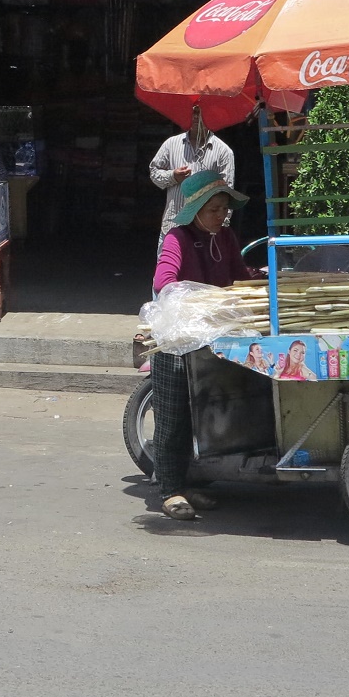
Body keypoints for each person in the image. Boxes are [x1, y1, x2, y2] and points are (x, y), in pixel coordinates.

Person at [148, 169, 257, 520]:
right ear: (195, 210)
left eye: (224, 208)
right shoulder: (177, 239)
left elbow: (240, 276)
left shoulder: (225, 238)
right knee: (173, 418)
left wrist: (263, 280)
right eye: (214, 208)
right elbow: (164, 280)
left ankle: (191, 482)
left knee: (205, 416)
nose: (221, 215)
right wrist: (199, 300)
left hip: (214, 336)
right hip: (178, 339)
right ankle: (169, 490)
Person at [148, 115, 235, 244]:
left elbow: (227, 191)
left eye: (201, 113)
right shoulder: (171, 144)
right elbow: (154, 172)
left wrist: (220, 227)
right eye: (193, 112)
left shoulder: (223, 152)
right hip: (173, 228)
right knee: (168, 263)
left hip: (205, 232)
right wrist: (173, 176)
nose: (196, 118)